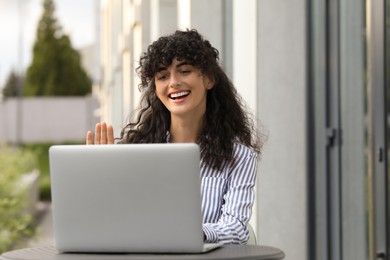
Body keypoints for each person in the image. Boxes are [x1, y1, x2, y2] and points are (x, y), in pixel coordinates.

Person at [86, 29, 263, 244]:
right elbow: (115, 222)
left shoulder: (239, 157)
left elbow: (236, 230)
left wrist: (187, 233)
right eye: (162, 76)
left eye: (184, 71)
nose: (173, 82)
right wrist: (104, 179)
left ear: (208, 79)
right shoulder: (136, 151)